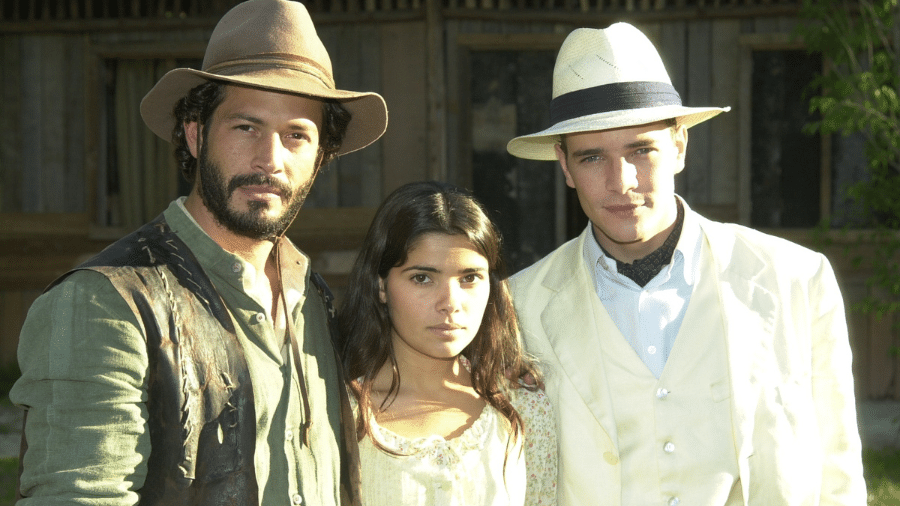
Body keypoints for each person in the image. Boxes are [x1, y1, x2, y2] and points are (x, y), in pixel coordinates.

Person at [10, 0, 387, 504]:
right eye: (245, 126)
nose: (269, 159)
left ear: (320, 158)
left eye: (297, 135)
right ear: (195, 133)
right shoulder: (105, 303)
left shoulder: (310, 297)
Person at [505, 23, 866, 505]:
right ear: (565, 166)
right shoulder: (518, 306)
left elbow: (838, 470)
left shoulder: (796, 279)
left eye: (641, 149)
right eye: (593, 158)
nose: (623, 181)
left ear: (679, 146)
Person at [336, 181, 557, 506]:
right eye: (422, 278)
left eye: (470, 278)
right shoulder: (338, 413)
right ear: (381, 285)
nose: (450, 303)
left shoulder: (522, 410)